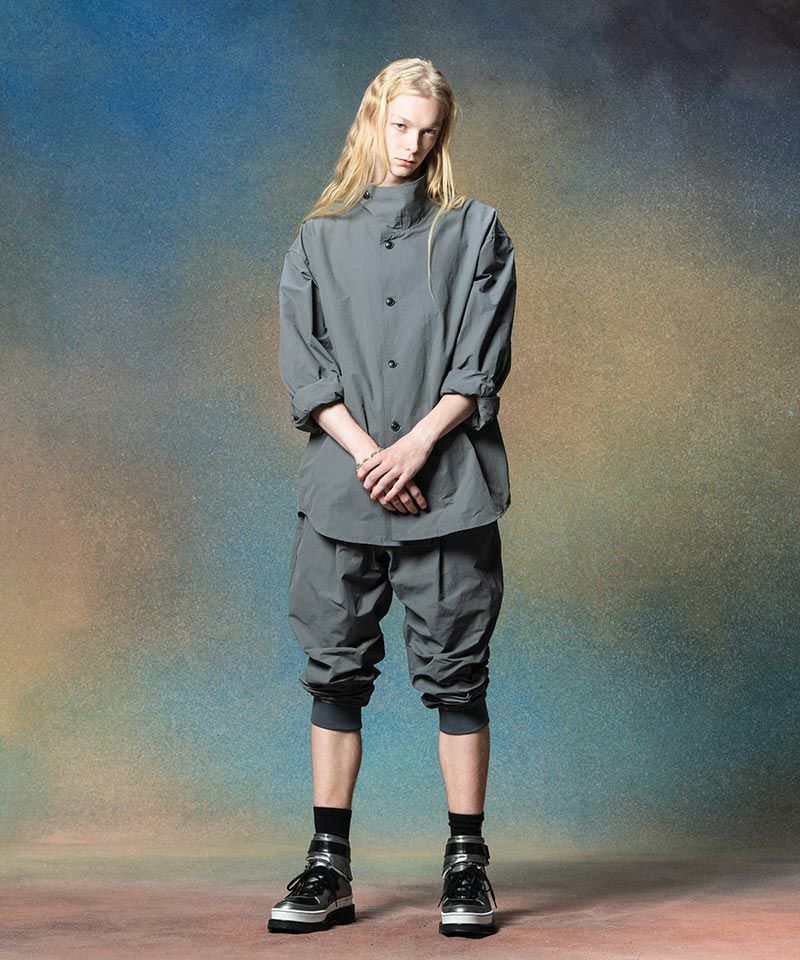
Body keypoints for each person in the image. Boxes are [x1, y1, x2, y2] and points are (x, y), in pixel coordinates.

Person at [268, 56, 515, 939]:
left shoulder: (477, 232)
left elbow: (479, 362)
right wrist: (373, 453)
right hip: (344, 488)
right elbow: (306, 369)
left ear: (442, 136)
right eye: (399, 125)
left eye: (428, 130)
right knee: (334, 669)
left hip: (446, 487)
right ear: (372, 121)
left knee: (458, 672)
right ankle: (328, 864)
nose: (411, 144)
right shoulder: (316, 240)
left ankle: (467, 863)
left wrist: (414, 448)